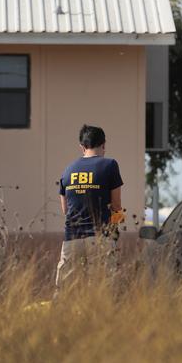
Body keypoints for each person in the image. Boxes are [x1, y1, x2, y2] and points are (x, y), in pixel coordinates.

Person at [56, 124, 124, 289]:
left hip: (71, 238)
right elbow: (116, 205)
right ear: (104, 144)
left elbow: (66, 210)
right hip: (100, 238)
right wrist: (116, 224)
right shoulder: (110, 165)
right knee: (103, 290)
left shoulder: (67, 170)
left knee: (65, 290)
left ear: (82, 147)